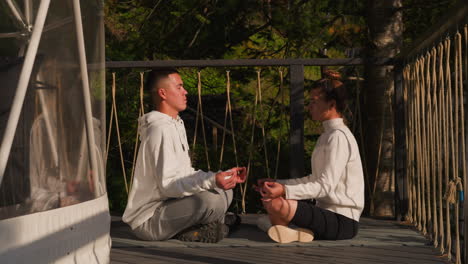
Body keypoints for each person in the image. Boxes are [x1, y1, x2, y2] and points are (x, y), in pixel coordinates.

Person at [123, 68, 246, 243]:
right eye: (179, 87)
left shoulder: (175, 123)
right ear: (163, 93)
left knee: (225, 191)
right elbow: (168, 186)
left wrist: (218, 177)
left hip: (171, 206)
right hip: (149, 219)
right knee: (211, 201)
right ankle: (206, 226)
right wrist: (211, 182)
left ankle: (204, 226)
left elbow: (185, 174)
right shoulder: (160, 129)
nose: (185, 92)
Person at [255, 70, 364, 243]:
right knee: (270, 201)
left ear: (331, 104)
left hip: (343, 221)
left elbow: (325, 186)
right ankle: (296, 232)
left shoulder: (338, 137)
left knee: (276, 205)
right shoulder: (327, 136)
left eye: (314, 101)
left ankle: (284, 229)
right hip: (324, 213)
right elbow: (314, 179)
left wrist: (284, 191)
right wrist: (279, 183)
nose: (309, 106)